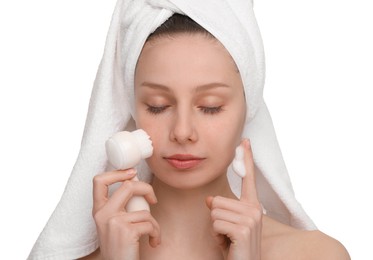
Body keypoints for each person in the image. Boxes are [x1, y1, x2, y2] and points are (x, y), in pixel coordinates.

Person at [29, 1, 350, 259]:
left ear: (247, 108)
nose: (182, 132)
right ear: (132, 110)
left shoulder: (317, 255)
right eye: (158, 105)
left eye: (210, 106)